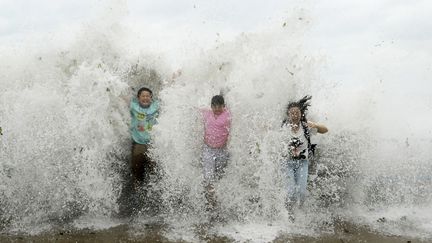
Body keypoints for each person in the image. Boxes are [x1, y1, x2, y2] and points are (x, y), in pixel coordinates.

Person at [281, 95, 328, 212]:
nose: (295, 115)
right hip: (288, 163)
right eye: (292, 113)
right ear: (288, 114)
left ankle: (300, 212)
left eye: (297, 112)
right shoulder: (284, 127)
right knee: (291, 192)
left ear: (301, 113)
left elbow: (325, 130)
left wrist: (316, 125)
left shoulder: (306, 126)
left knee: (301, 192)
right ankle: (289, 213)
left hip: (302, 163)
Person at [201, 95, 231, 213]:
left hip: (222, 151)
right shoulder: (206, 113)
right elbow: (192, 109)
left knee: (219, 177)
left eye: (220, 106)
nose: (217, 108)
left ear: (224, 106)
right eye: (215, 106)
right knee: (208, 177)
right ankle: (211, 203)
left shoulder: (228, 114)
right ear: (211, 106)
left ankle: (218, 202)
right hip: (208, 149)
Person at [130, 87, 159, 188]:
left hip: (153, 142)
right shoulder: (134, 106)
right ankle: (136, 183)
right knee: (137, 164)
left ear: (151, 97)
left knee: (154, 165)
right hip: (139, 142)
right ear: (138, 97)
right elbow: (123, 99)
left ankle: (153, 186)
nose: (145, 98)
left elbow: (168, 95)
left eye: (148, 96)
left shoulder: (156, 105)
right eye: (143, 96)